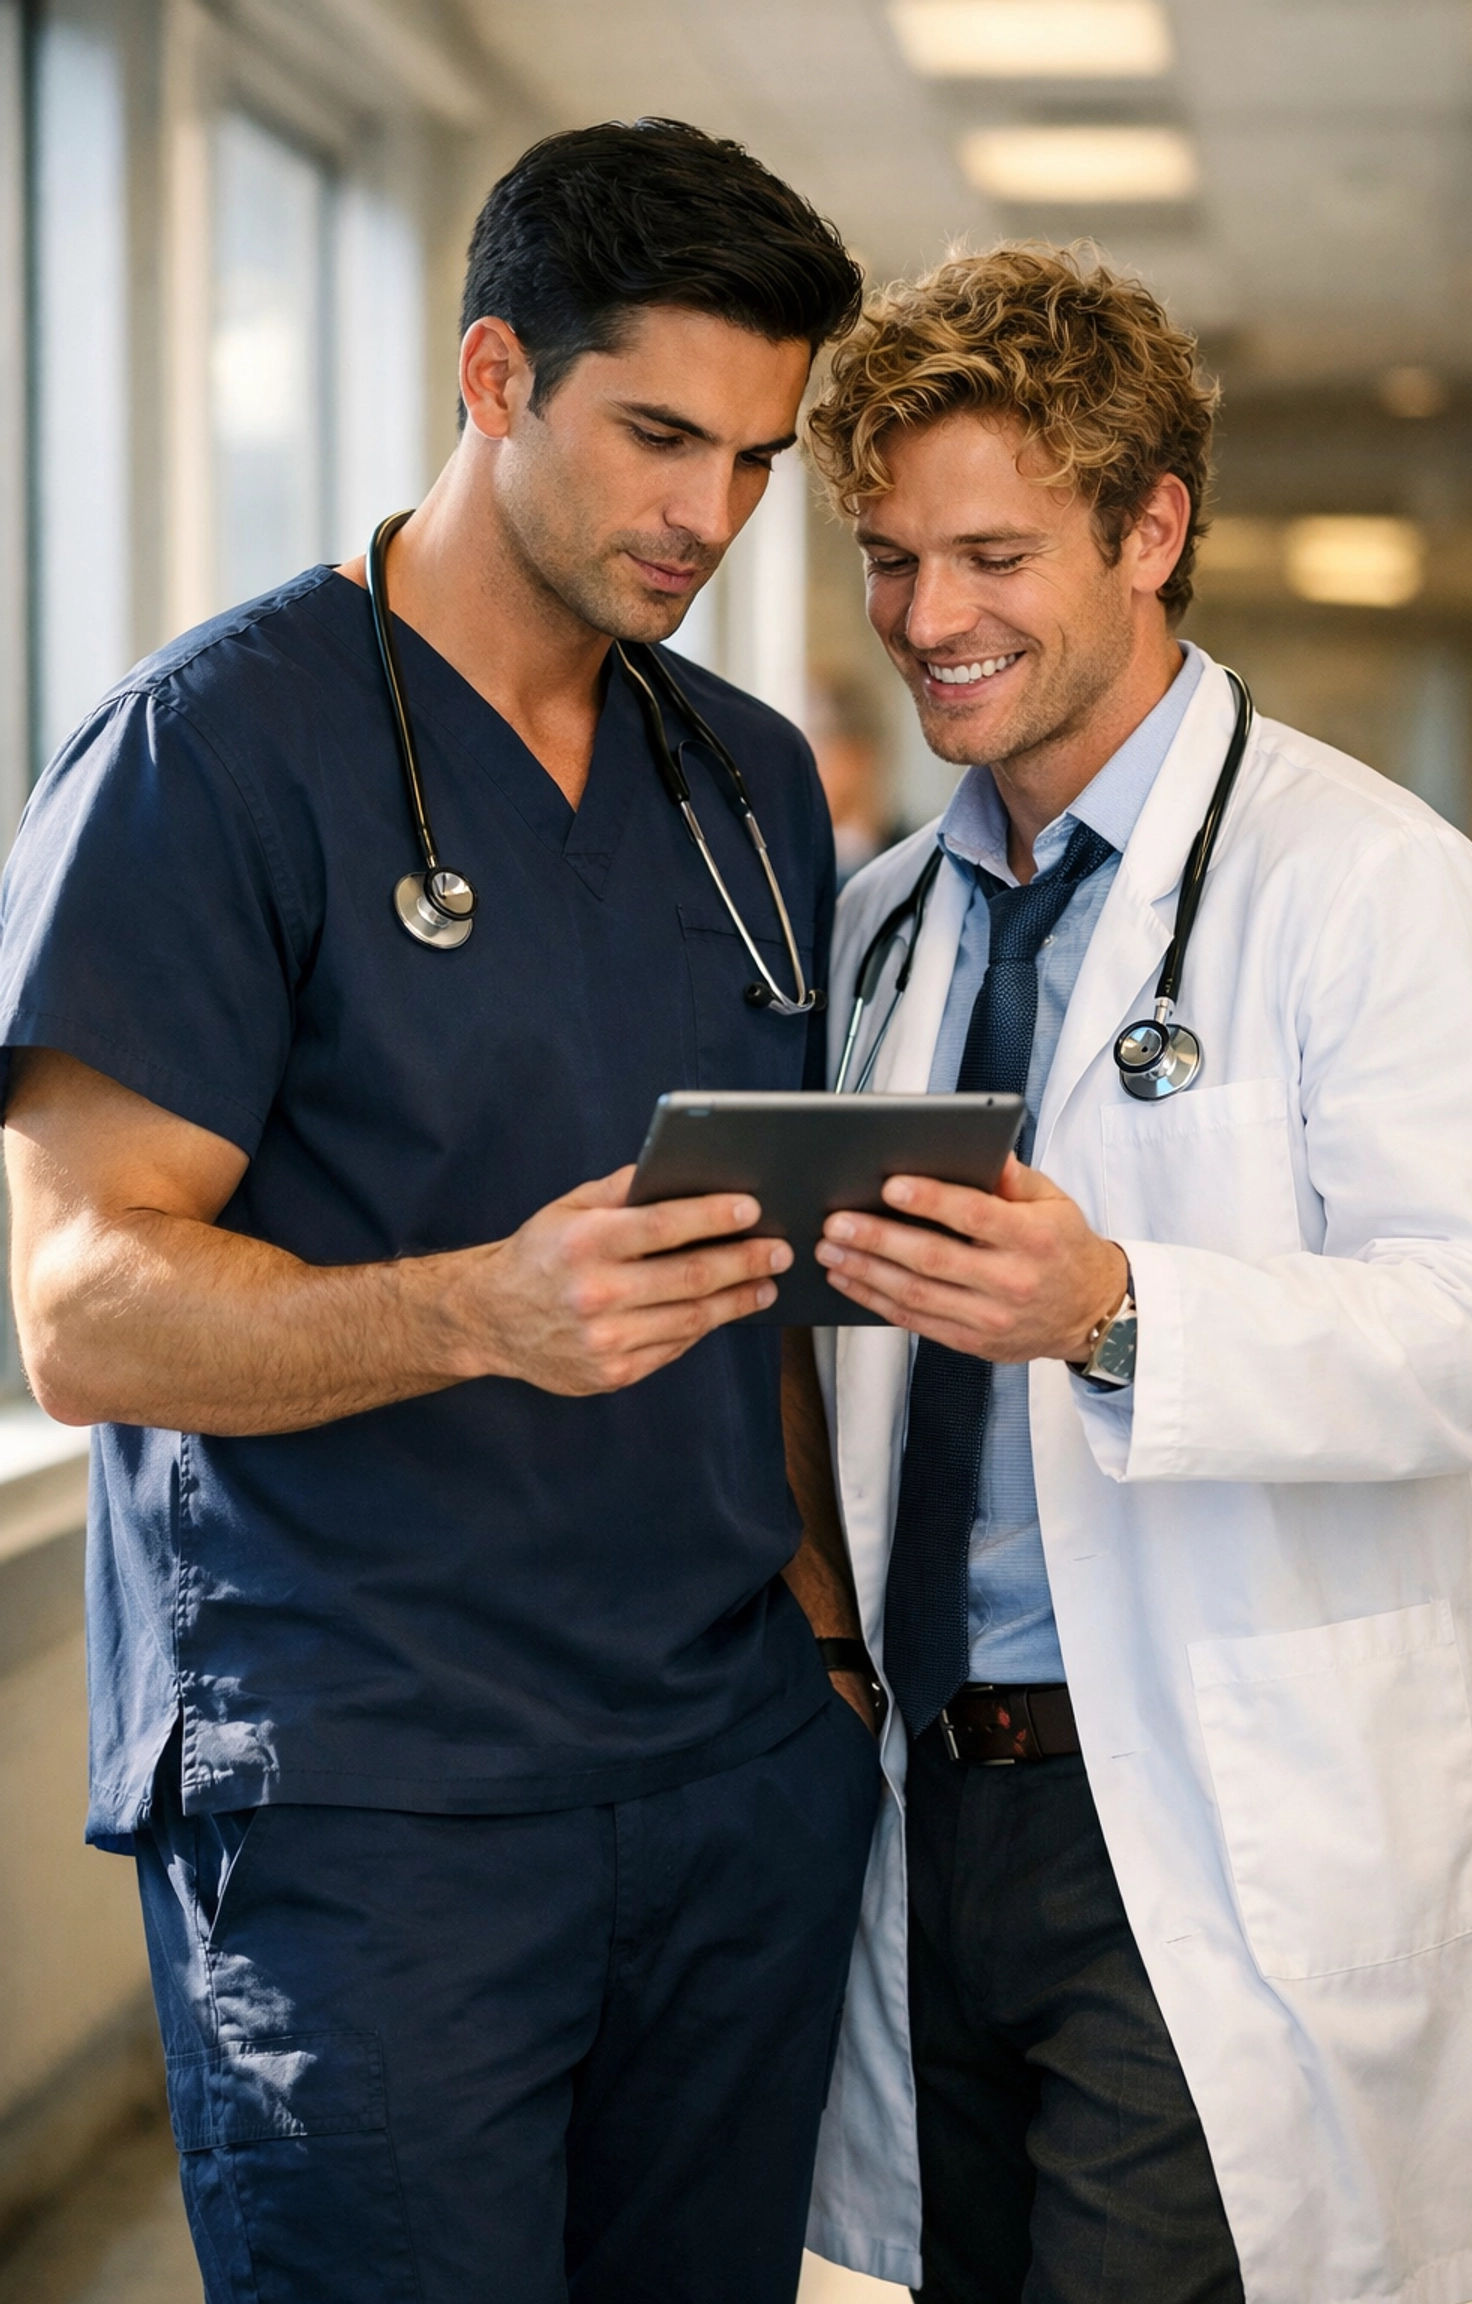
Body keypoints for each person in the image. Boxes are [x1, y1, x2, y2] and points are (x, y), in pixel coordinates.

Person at [0, 120, 884, 2304]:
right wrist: (477, 1311)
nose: (708, 515)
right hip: (374, 1807)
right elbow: (82, 1311)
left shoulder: (749, 780)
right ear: (495, 376)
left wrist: (826, 1647)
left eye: (758, 460)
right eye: (658, 435)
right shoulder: (209, 750)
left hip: (725, 1774)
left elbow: (755, 1272)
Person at [799, 244, 1472, 2304]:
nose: (929, 620)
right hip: (933, 1811)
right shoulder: (881, 928)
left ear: (1151, 528)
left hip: (1212, 1823)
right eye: (887, 556)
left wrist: (1116, 1311)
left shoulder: (1370, 887)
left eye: (992, 555)